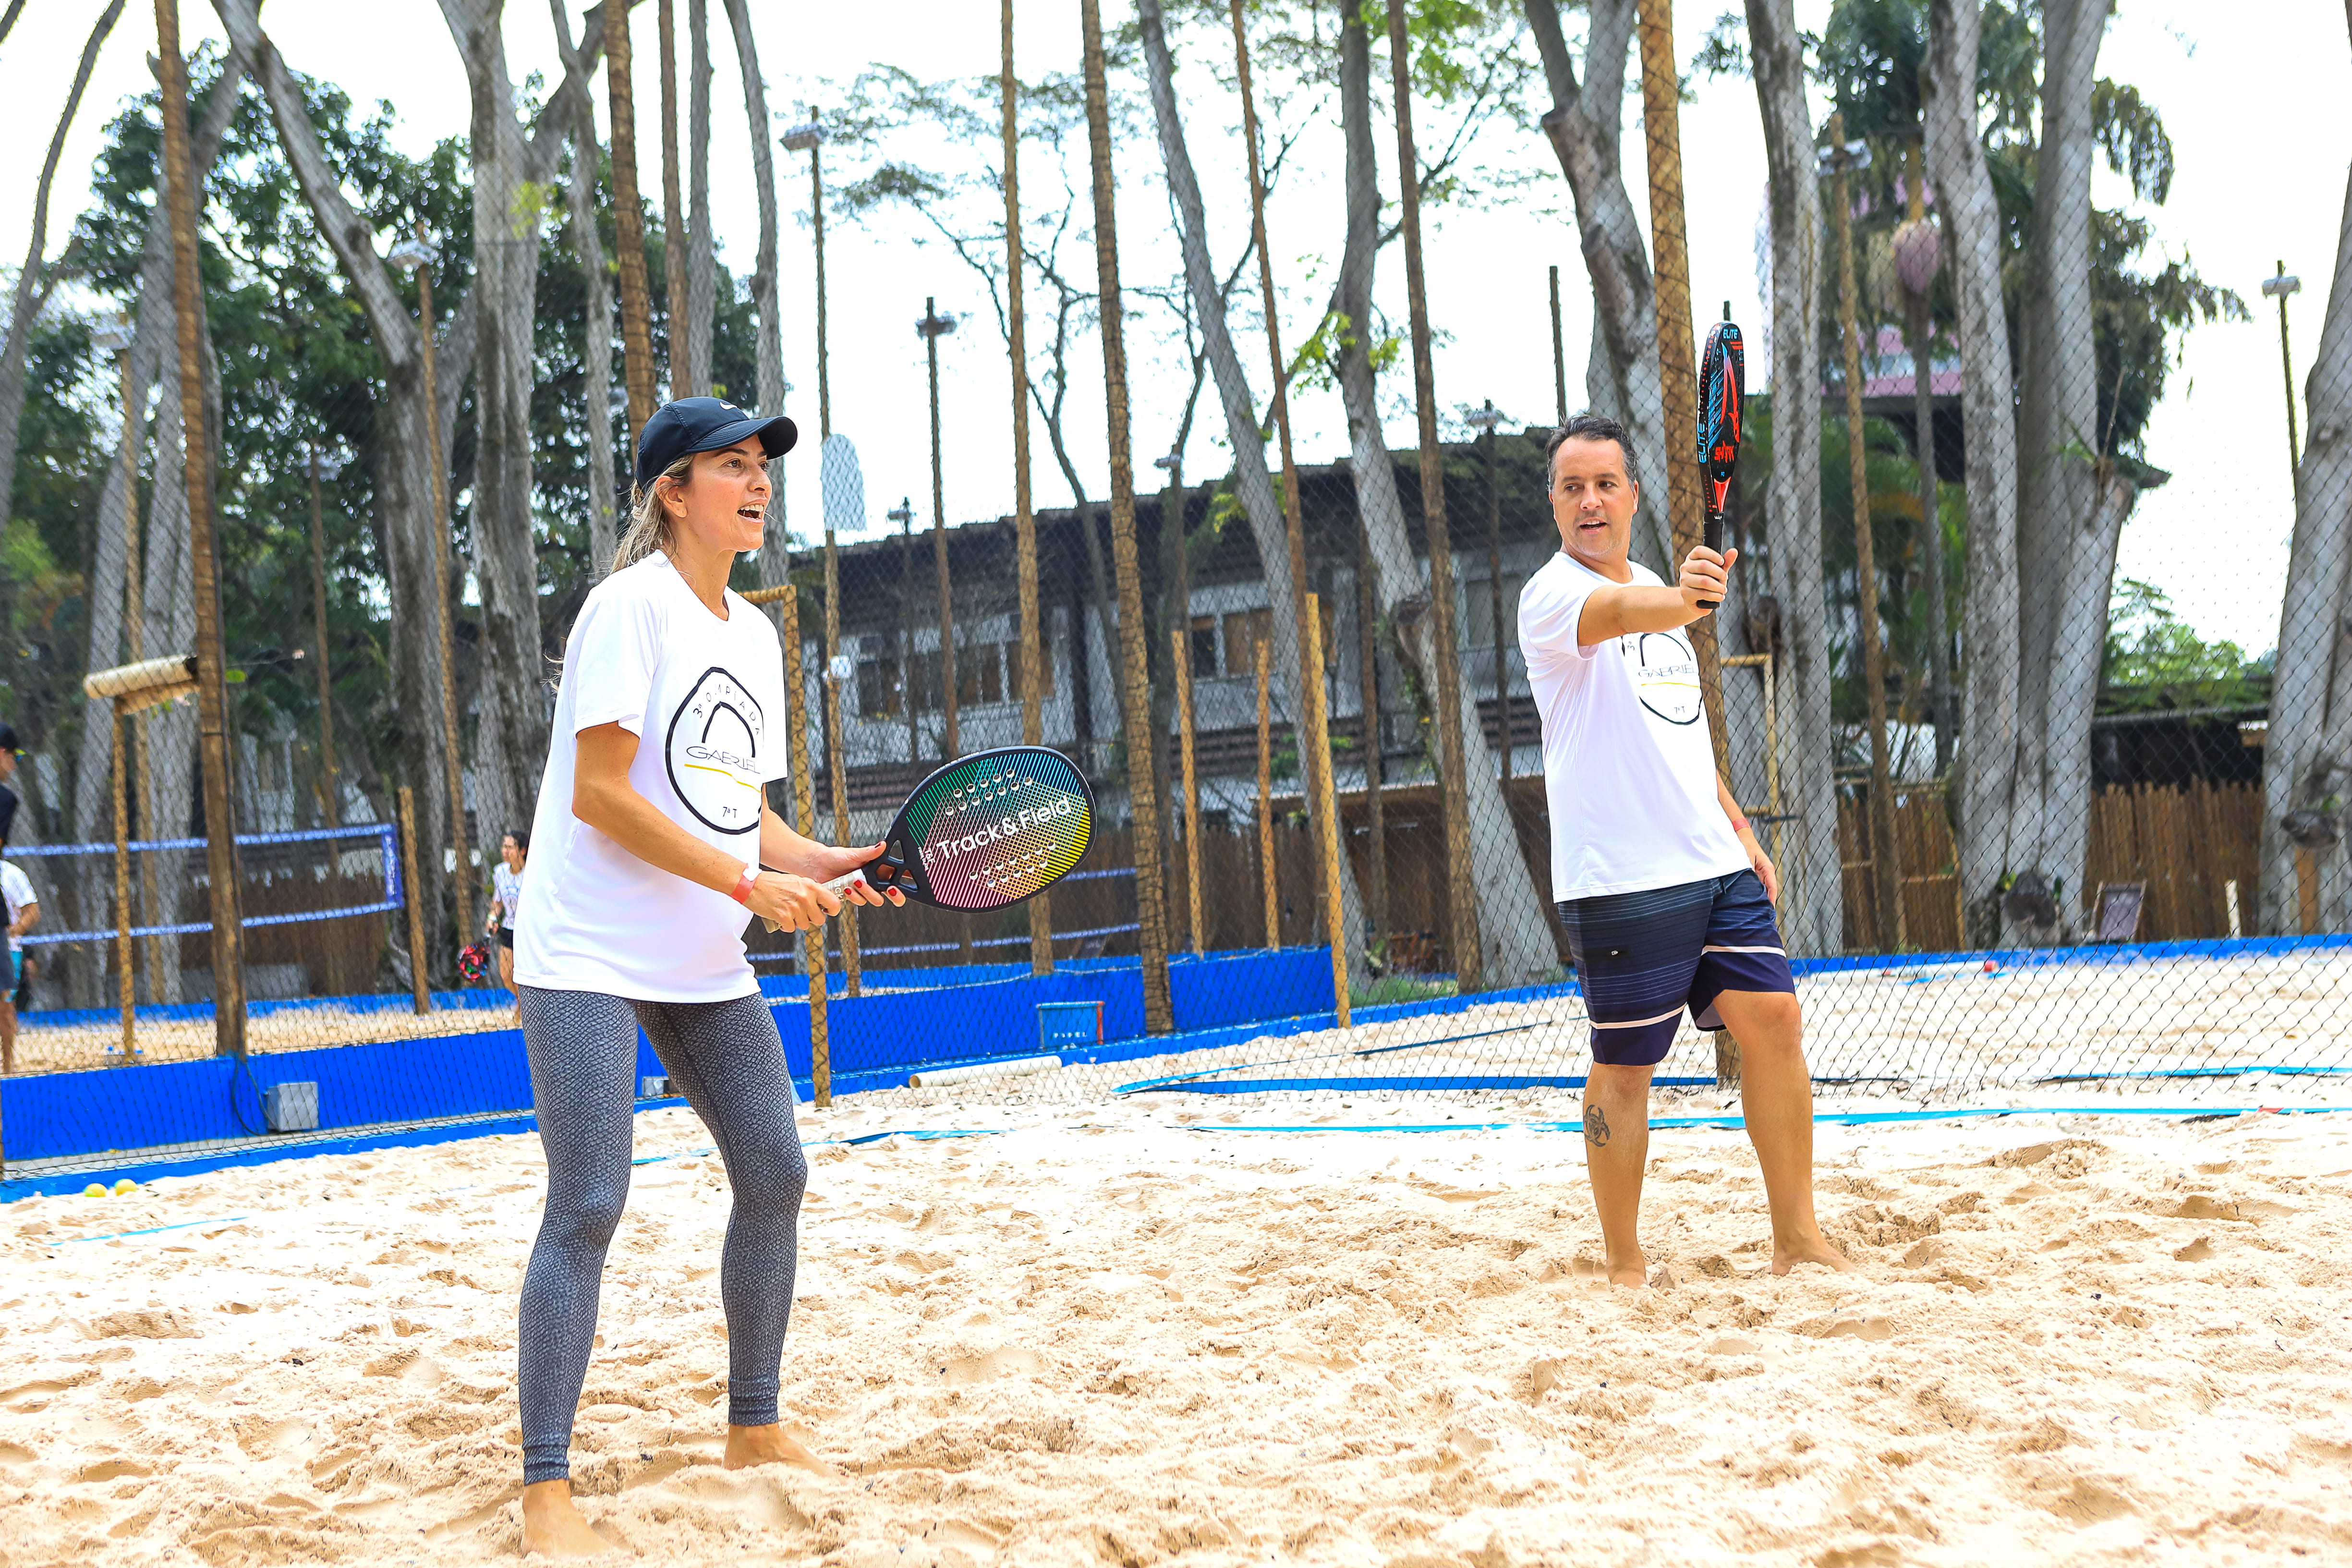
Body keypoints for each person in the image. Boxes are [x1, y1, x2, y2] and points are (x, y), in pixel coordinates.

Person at [510, 396, 905, 1558]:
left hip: (697, 951)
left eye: (761, 466)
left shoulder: (753, 635)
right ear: (672, 493)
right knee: (589, 1201)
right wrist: (747, 885)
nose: (758, 482)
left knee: (776, 1170)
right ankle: (545, 1486)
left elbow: (739, 808)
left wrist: (817, 860)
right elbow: (602, 795)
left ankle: (753, 1424)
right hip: (584, 947)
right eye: (730, 465)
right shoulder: (627, 609)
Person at [1518, 413, 1850, 1288]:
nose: (1590, 500)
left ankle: (1796, 1239)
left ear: (1631, 495)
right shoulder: (1550, 597)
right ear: (1553, 503)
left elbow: (1681, 730)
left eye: (1605, 484)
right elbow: (1620, 612)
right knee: (1627, 1066)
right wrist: (1687, 598)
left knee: (1775, 1023)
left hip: (1711, 863)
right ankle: (1624, 1264)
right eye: (1572, 487)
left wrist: (1737, 829)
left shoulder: (1658, 592)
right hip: (1621, 878)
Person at [484, 828, 530, 1003]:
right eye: (504, 847)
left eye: (510, 847)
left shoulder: (531, 873)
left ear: (522, 851)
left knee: (523, 976)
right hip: (509, 928)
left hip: (528, 930)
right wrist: (492, 919)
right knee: (506, 975)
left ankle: (524, 1008)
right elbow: (497, 902)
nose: (505, 851)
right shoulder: (500, 872)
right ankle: (522, 1004)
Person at [2, 853, 37, 1075]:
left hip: (7, 949)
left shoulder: (11, 874)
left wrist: (13, 931)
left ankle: (8, 1064)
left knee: (5, 1007)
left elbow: (33, 911)